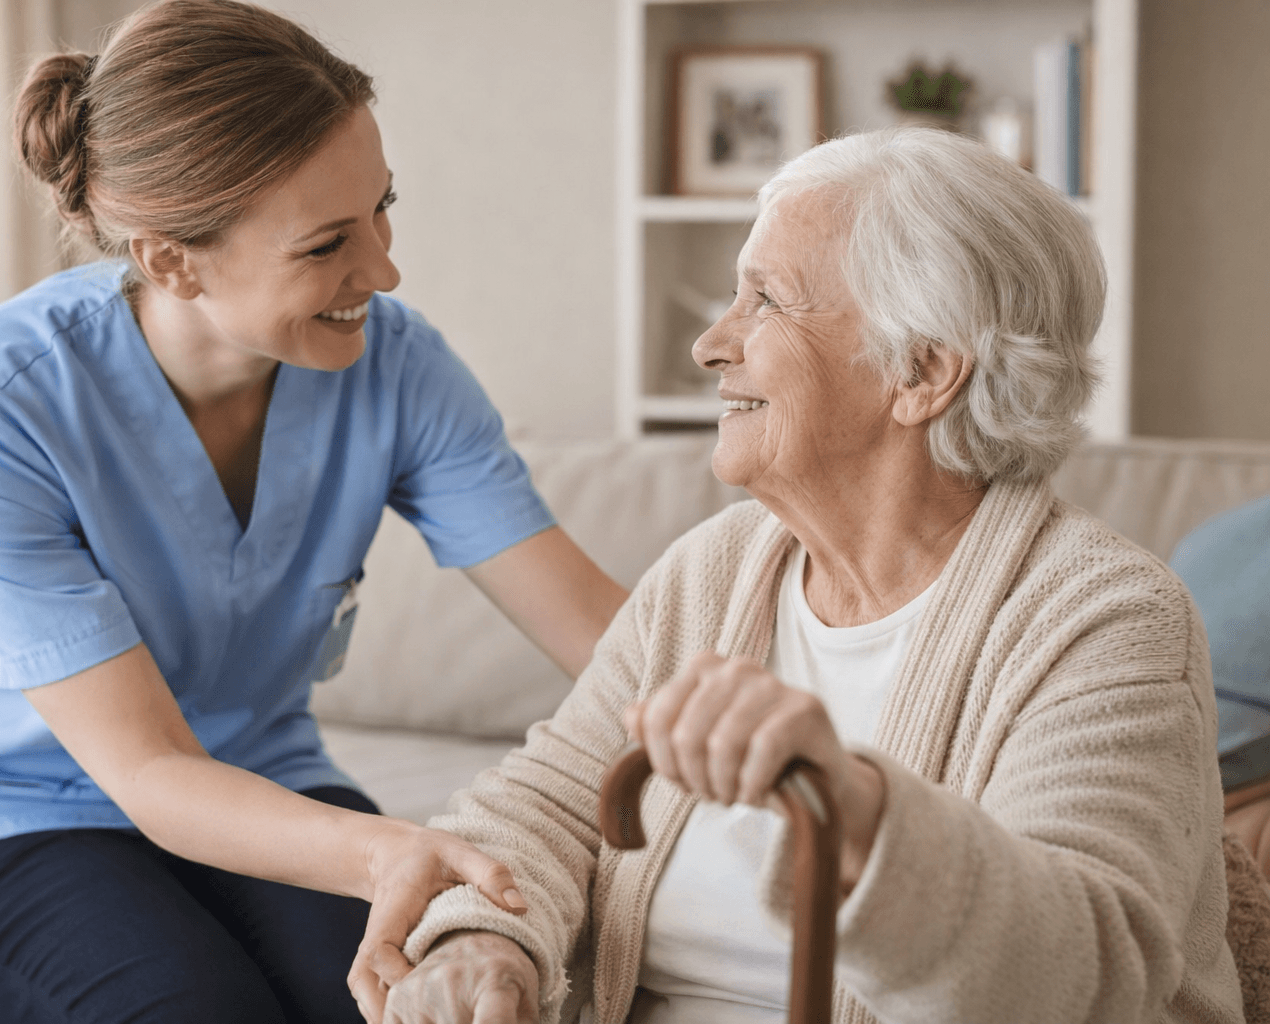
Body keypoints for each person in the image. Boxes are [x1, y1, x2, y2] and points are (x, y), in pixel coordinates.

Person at [0, 3, 627, 1022]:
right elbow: (149, 766)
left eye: (383, 209)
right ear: (172, 259)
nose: (384, 271)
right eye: (326, 246)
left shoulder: (398, 367)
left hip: (265, 779)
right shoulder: (1, 407)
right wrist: (392, 848)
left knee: (395, 1004)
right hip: (1, 812)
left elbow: (606, 639)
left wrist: (806, 739)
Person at [375, 126, 1246, 1024]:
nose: (712, 344)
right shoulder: (713, 571)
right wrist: (483, 942)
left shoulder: (1107, 620)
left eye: (766, 301)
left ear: (921, 371)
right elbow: (552, 801)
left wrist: (860, 814)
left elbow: (1088, 970)